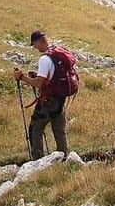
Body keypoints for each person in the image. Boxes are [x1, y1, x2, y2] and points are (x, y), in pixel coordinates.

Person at [14, 29, 73, 158]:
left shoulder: (45, 59)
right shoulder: (57, 52)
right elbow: (51, 76)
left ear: (40, 41)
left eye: (34, 44)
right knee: (59, 129)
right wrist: (38, 75)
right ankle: (64, 157)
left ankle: (38, 160)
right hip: (61, 97)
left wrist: (22, 77)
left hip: (49, 100)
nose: (35, 47)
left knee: (35, 127)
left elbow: (38, 84)